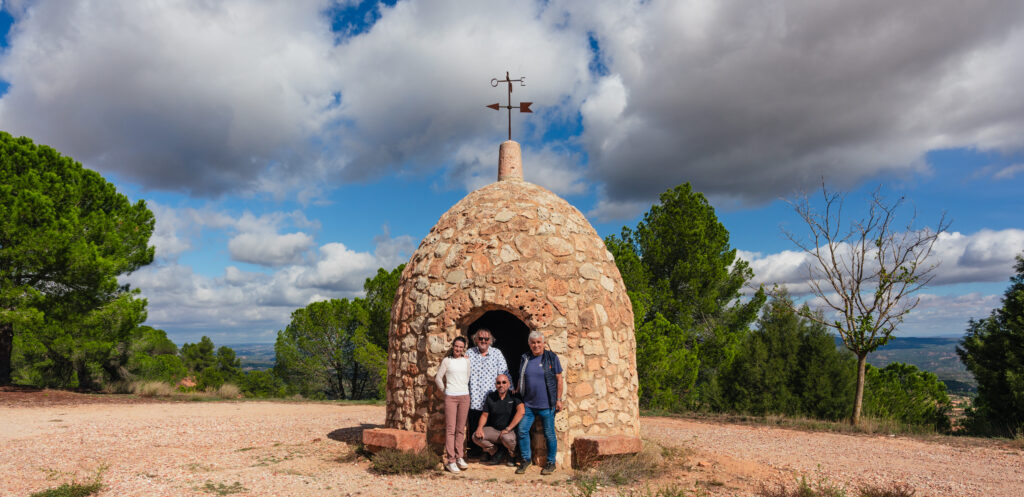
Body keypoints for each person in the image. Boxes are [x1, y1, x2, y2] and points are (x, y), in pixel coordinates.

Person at [515, 331, 563, 475]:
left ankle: (551, 463)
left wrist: (558, 400)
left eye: (538, 342)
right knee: (522, 430)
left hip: (547, 405)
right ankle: (526, 459)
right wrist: (517, 390)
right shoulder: (525, 358)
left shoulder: (552, 357)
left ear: (544, 343)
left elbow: (559, 379)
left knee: (549, 434)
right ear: (529, 344)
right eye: (533, 343)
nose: (536, 345)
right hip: (529, 405)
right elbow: (521, 376)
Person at [465, 328, 510, 460]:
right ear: (475, 340)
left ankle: (493, 451)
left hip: (492, 399)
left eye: (486, 339)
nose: (483, 341)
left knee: (491, 427)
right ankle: (479, 451)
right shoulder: (469, 353)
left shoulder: (496, 353)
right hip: (475, 398)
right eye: (481, 338)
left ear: (491, 341)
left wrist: (511, 388)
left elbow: (504, 372)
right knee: (475, 426)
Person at [435, 336, 471, 473]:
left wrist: (462, 388)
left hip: (464, 396)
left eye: (461, 347)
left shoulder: (466, 361)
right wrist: (445, 390)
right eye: (456, 346)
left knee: (460, 429)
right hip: (451, 397)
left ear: (463, 348)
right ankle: (451, 461)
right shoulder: (447, 361)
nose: (458, 349)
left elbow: (467, 377)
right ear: (453, 346)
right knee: (451, 429)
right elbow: (438, 378)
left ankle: (459, 457)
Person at [471, 373, 523, 466]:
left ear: (509, 384)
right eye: (498, 383)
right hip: (495, 431)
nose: (501, 385)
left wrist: (508, 428)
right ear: (495, 385)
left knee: (506, 438)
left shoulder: (514, 395)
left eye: (504, 382)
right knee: (476, 436)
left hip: (510, 431)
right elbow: (484, 415)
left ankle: (512, 455)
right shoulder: (491, 396)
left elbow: (521, 411)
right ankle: (495, 452)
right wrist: (479, 428)